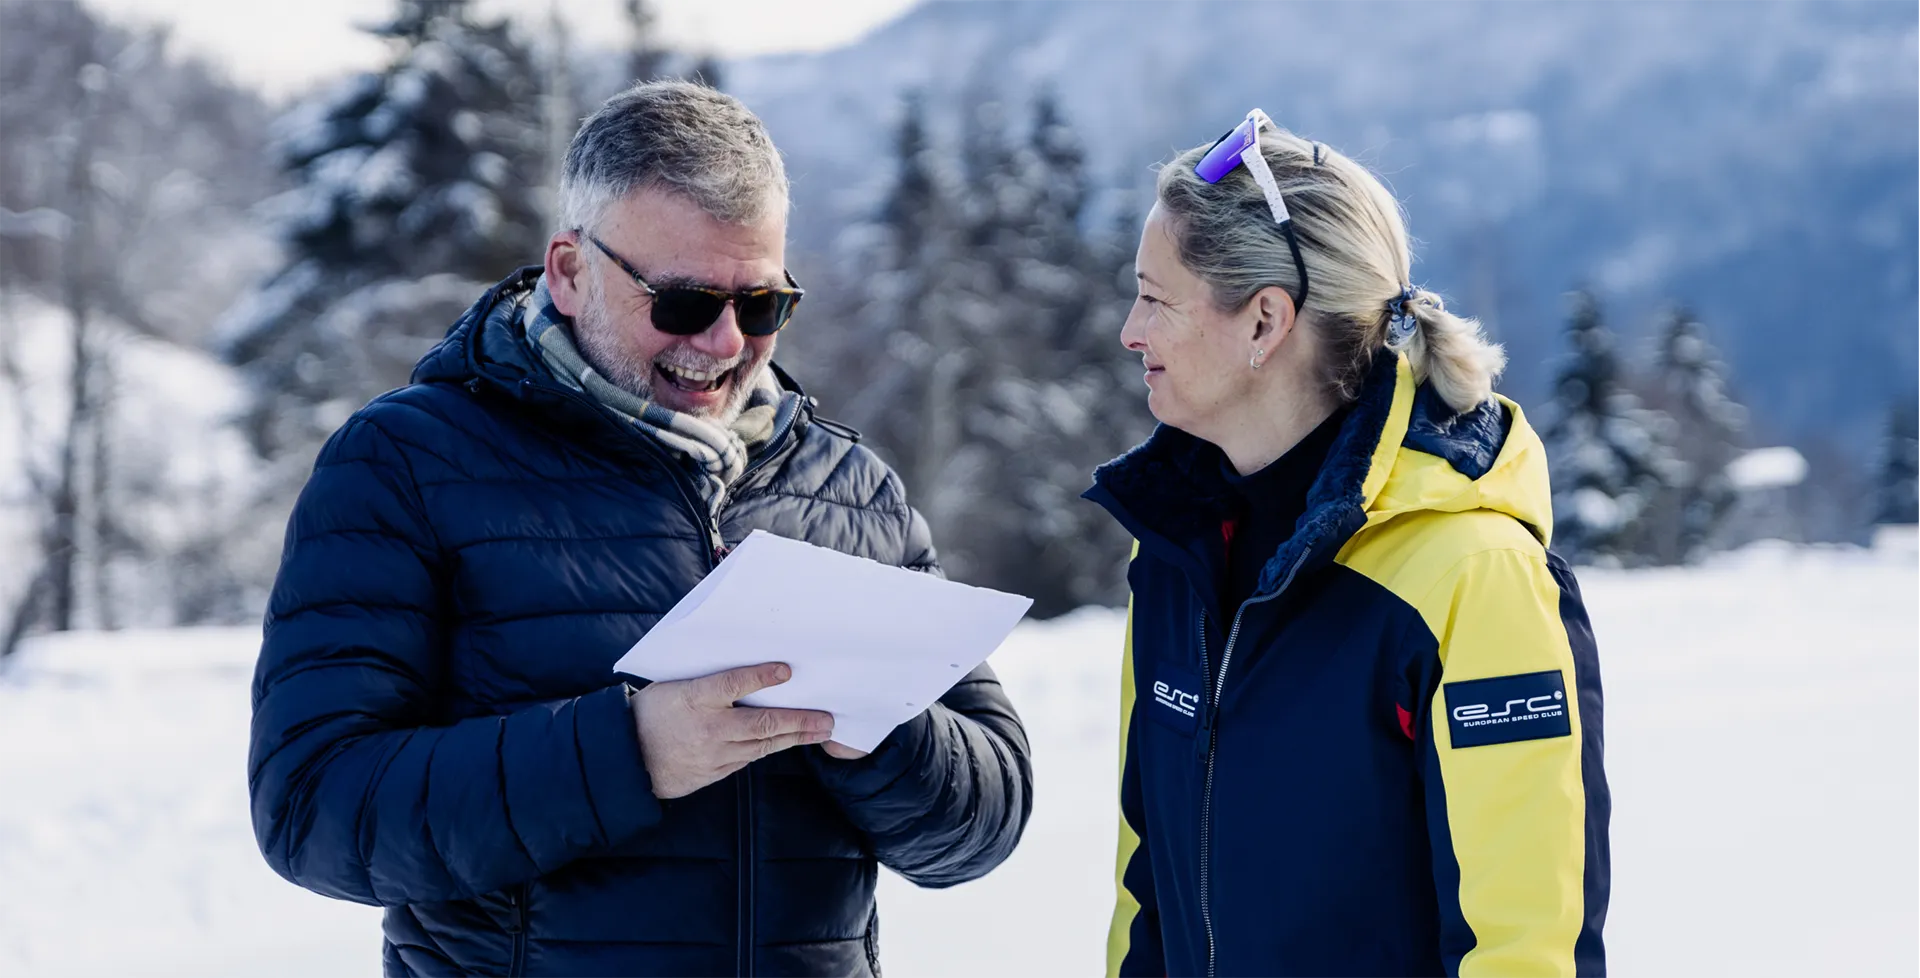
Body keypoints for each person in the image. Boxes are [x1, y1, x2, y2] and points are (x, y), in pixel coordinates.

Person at [247, 81, 1032, 978]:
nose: (725, 343)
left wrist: (883, 732)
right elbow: (311, 810)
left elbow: (983, 830)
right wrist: (627, 753)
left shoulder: (854, 492)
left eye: (763, 306)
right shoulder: (406, 464)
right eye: (685, 302)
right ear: (571, 271)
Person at [1089, 110, 1609, 977]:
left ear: (1264, 322)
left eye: (1154, 297)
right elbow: (1148, 894)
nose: (1129, 332)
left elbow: (1524, 950)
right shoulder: (1174, 561)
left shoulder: (1474, 580)